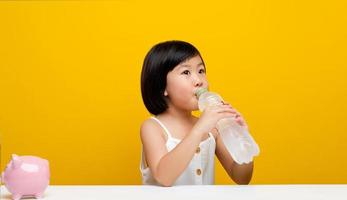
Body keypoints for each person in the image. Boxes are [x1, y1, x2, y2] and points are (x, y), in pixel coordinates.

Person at [140, 40, 254, 186]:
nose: (199, 80)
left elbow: (242, 178)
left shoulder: (213, 128)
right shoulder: (153, 128)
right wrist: (199, 129)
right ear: (162, 86)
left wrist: (242, 139)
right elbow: (163, 177)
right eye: (186, 72)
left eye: (201, 71)